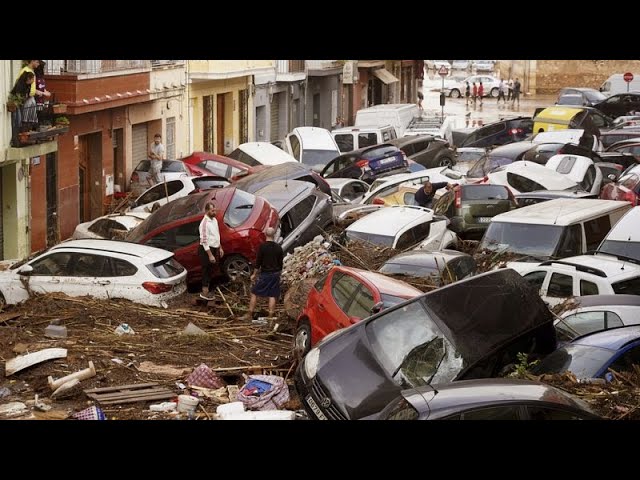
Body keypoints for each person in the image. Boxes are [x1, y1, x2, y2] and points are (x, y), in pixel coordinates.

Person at [241, 227, 284, 320]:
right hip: (275, 274)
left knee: (254, 292)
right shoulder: (279, 248)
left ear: (265, 235)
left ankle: (249, 314)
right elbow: (281, 263)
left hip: (266, 274)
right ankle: (270, 316)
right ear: (274, 235)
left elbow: (258, 262)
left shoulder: (262, 247)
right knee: (272, 295)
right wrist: (278, 273)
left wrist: (254, 274)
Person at [198, 202, 224, 301]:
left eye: (215, 210)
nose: (214, 212)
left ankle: (210, 290)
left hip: (214, 248)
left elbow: (216, 235)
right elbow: (204, 241)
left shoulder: (214, 220)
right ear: (207, 211)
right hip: (206, 250)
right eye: (212, 210)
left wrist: (220, 247)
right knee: (206, 271)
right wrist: (210, 255)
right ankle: (204, 293)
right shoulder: (204, 223)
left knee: (213, 270)